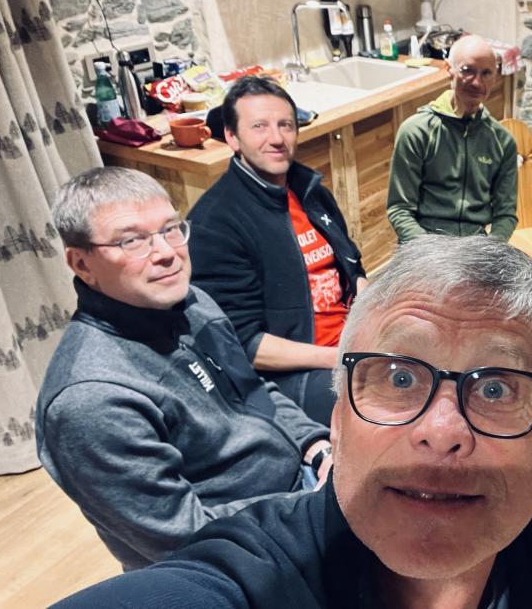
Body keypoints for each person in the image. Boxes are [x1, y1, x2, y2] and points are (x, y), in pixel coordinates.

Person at [51, 235, 532, 609]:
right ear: (337, 418)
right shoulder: (251, 581)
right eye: (399, 378)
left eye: (495, 389)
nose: (442, 432)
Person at [36, 167, 332, 571]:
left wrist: (316, 446)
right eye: (132, 240)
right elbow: (186, 539)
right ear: (81, 264)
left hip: (299, 487)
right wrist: (314, 503)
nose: (165, 252)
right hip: (246, 555)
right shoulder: (91, 399)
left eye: (170, 229)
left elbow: (253, 390)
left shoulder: (192, 303)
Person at [188, 76, 366, 425]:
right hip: (291, 374)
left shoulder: (309, 191)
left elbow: (352, 269)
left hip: (350, 344)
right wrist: (342, 358)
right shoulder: (216, 223)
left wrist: (380, 313)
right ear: (232, 137)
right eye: (259, 126)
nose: (276, 138)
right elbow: (244, 344)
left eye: (285, 125)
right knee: (384, 410)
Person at [387, 34, 518, 244]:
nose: (477, 82)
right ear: (449, 69)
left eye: (486, 73)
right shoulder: (416, 131)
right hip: (424, 244)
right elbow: (400, 210)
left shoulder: (502, 141)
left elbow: (506, 215)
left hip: (476, 246)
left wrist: (489, 249)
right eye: (467, 70)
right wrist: (433, 252)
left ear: (495, 76)